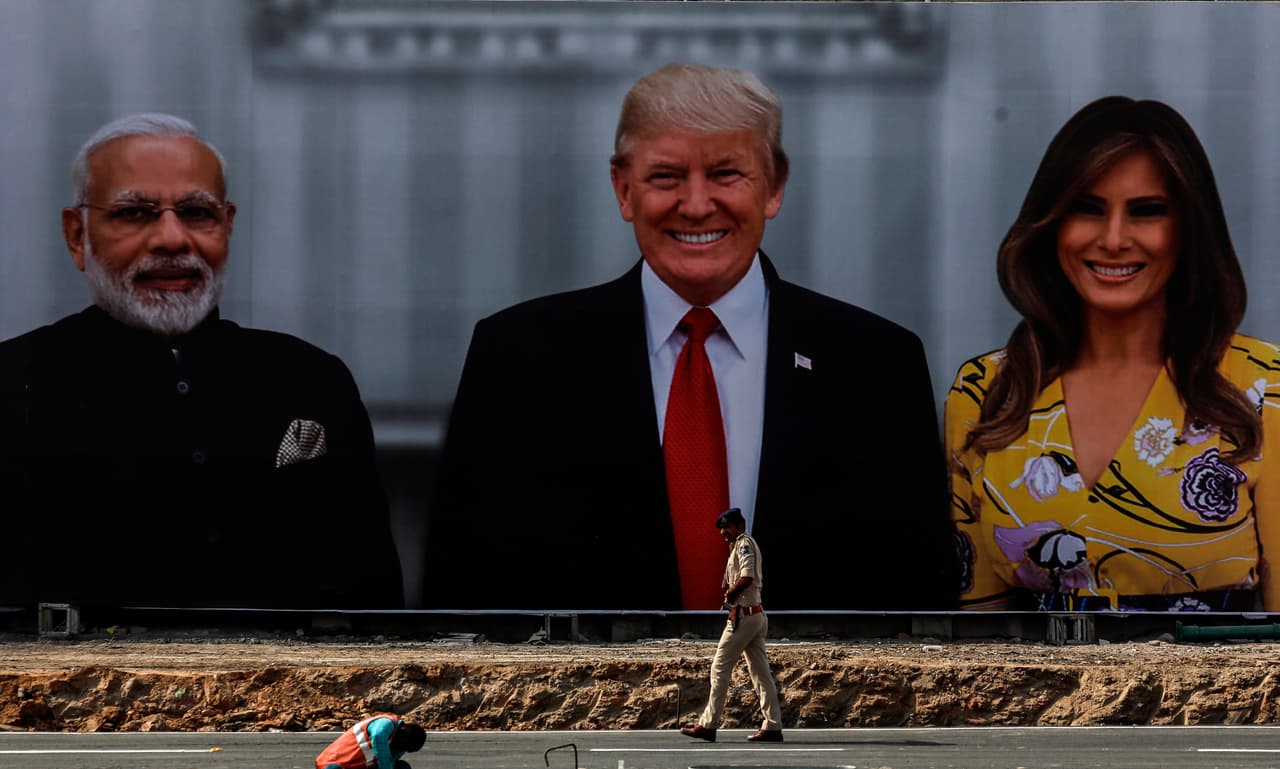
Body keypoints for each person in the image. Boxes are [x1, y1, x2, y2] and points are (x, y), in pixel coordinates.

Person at [423, 62, 957, 611]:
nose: (697, 204)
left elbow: (918, 609)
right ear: (623, 189)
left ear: (774, 187)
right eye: (666, 177)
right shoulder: (517, 359)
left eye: (726, 174)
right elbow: (459, 601)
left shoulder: (877, 365)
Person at [0, 113, 403, 609]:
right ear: (77, 236)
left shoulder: (311, 382)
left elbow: (373, 607)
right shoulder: (14, 384)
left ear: (227, 226)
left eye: (196, 212)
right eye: (134, 213)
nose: (172, 238)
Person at [947, 96, 1280, 612]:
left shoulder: (1266, 387)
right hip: (1024, 694)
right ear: (1052, 222)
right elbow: (975, 632)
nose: (1114, 239)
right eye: (1087, 208)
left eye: (1147, 211)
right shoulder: (987, 390)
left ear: (1189, 228)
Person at [681, 507, 782, 743]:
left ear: (739, 526)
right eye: (721, 528)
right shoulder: (737, 545)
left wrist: (728, 598)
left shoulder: (744, 543)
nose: (723, 532)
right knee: (761, 675)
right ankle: (773, 726)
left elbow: (746, 578)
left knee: (719, 667)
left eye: (727, 527)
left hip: (745, 617)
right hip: (753, 615)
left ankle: (708, 724)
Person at [315, 714, 425, 769]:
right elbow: (378, 736)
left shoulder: (396, 741)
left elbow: (390, 760)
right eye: (403, 747)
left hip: (356, 767)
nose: (401, 751)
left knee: (401, 767)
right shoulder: (386, 723)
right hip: (332, 765)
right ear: (403, 733)